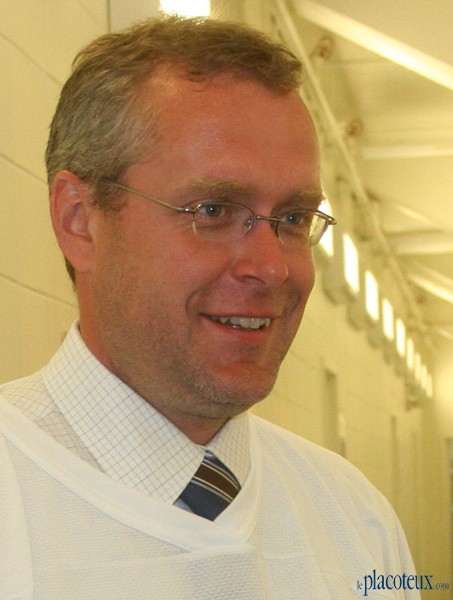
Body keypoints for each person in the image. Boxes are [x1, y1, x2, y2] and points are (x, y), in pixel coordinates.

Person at [0, 16, 419, 599]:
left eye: (293, 218)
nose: (271, 268)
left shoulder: (355, 520)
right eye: (213, 211)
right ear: (80, 221)